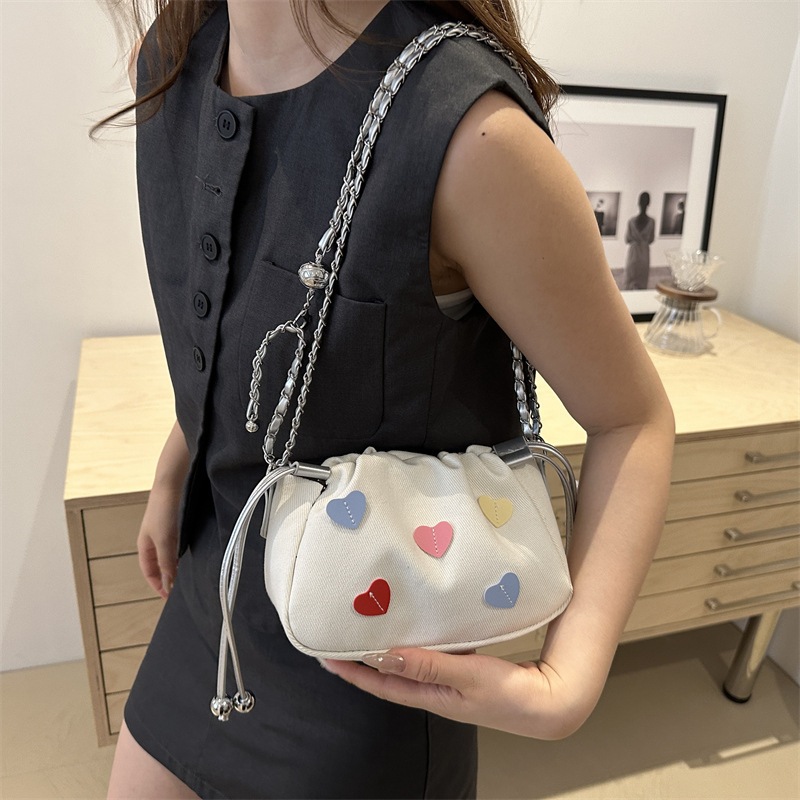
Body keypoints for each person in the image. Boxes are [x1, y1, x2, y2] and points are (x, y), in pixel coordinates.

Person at [93, 1, 675, 797]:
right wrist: (176, 467)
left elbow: (632, 418)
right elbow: (247, 319)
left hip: (364, 681)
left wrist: (568, 683)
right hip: (211, 602)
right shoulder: (172, 58)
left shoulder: (466, 136)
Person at [623, 191, 656, 290]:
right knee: (642, 280)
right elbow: (651, 239)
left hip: (633, 252)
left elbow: (627, 239)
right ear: (649, 203)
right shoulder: (651, 222)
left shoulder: (631, 221)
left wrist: (635, 240)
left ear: (638, 203)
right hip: (644, 253)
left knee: (629, 279)